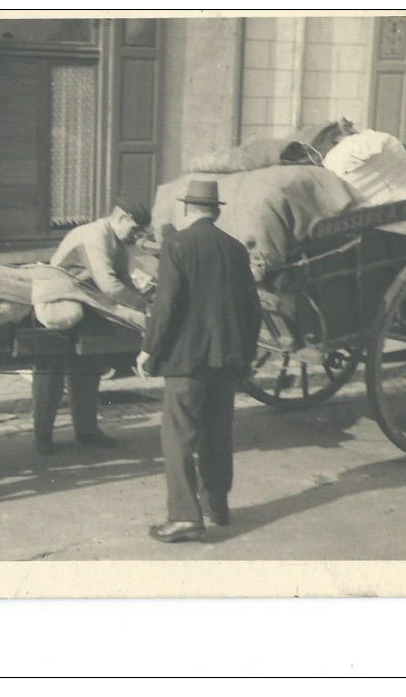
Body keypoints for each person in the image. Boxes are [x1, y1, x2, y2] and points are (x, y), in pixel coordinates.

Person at [136, 180, 261, 543]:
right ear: (216, 210)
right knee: (217, 432)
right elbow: (252, 311)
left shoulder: (177, 244)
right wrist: (246, 356)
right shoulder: (235, 249)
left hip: (186, 361)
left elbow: (166, 305)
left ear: (188, 209)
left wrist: (149, 349)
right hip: (226, 359)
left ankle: (184, 517)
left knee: (177, 437)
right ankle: (217, 506)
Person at [33, 198, 151, 455]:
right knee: (51, 370)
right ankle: (42, 436)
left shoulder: (116, 240)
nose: (135, 236)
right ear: (122, 219)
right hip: (59, 305)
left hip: (85, 305)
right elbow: (110, 285)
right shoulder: (94, 235)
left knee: (88, 368)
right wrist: (141, 305)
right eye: (134, 230)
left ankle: (87, 431)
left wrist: (142, 300)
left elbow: (123, 281)